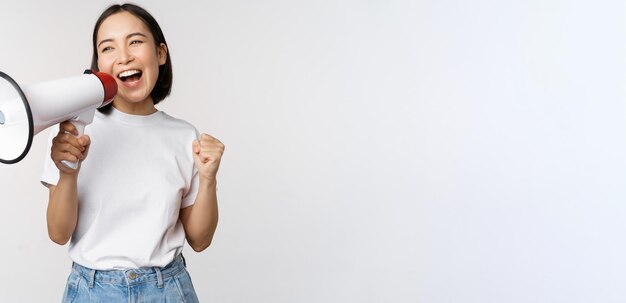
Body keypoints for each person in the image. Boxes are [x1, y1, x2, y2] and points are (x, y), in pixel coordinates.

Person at [40, 3, 224, 302]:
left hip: (167, 290)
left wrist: (208, 179)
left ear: (160, 53)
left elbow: (200, 240)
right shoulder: (74, 130)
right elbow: (59, 234)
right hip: (91, 291)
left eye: (135, 41)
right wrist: (67, 172)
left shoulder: (184, 136)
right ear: (98, 65)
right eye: (108, 48)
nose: (124, 56)